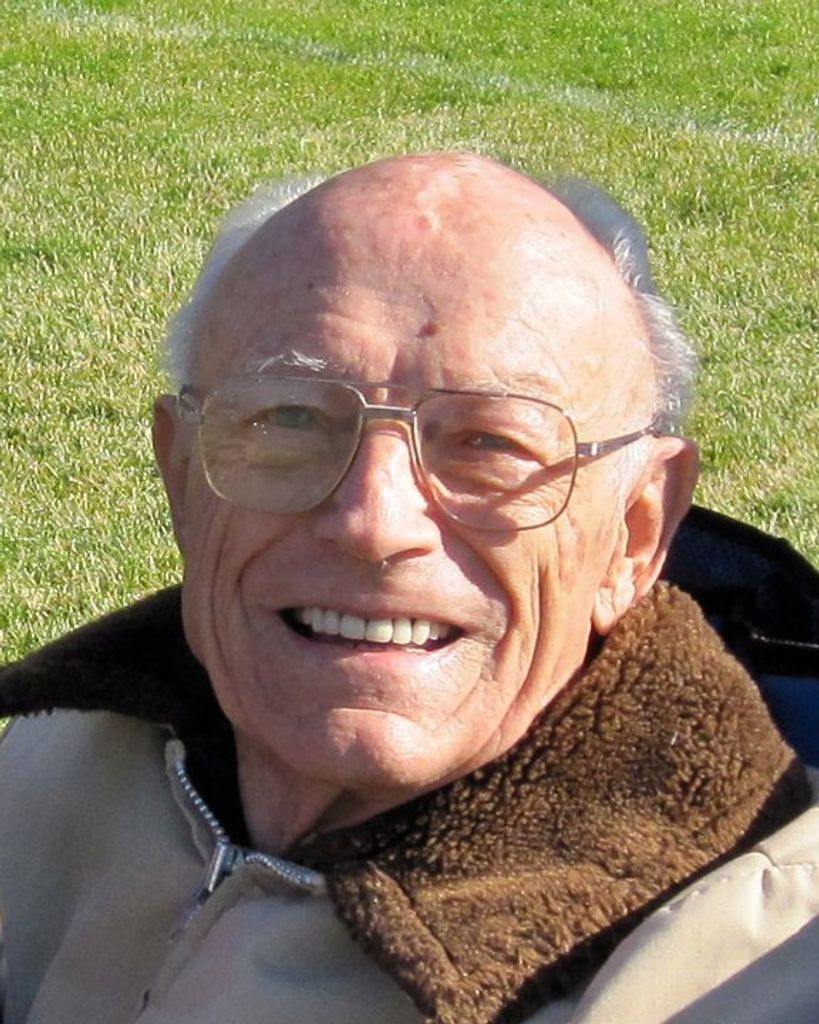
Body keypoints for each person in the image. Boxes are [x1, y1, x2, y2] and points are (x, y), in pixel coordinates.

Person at [1, 153, 817, 1024]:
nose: (373, 521)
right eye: (290, 417)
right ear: (181, 473)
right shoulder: (66, 751)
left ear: (636, 530)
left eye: (491, 443)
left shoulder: (756, 973)